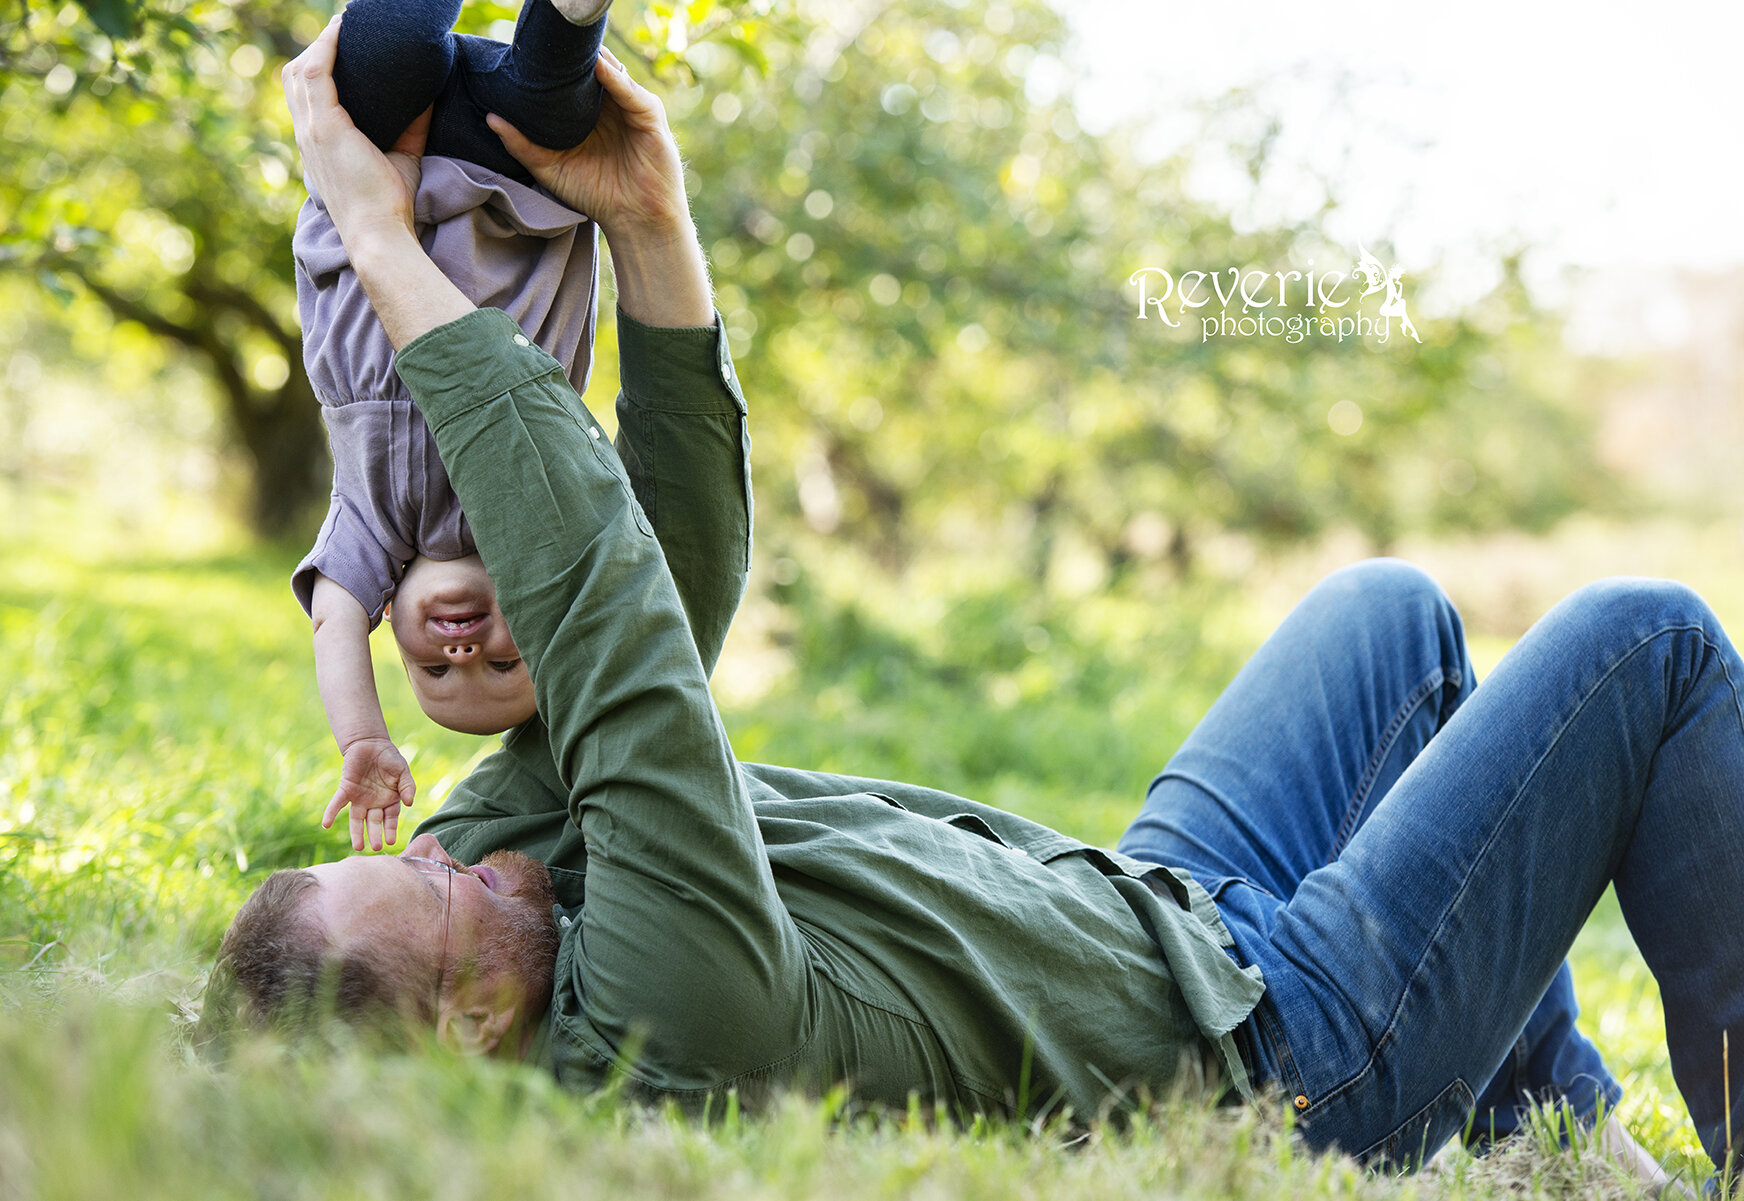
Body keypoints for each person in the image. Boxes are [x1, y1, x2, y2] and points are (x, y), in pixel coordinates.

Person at [206, 20, 1743, 1187]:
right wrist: (388, 255)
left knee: (1389, 616)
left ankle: (1556, 1126)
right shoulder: (658, 1023)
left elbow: (669, 597)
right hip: (1286, 1053)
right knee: (1651, 639)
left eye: (432, 852)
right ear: (471, 1029)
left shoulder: (496, 890)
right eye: (448, 893)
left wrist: (650, 230)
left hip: (1171, 916)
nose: (469, 853)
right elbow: (606, 621)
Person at [291, 0, 613, 853]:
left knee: (387, 47)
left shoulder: (373, 533)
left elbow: (330, 624)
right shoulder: (550, 517)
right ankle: (572, 15)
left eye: (433, 672)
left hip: (369, 188)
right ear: (542, 625)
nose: (463, 651)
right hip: (514, 196)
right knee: (557, 103)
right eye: (505, 664)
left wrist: (362, 737)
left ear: (390, 625)